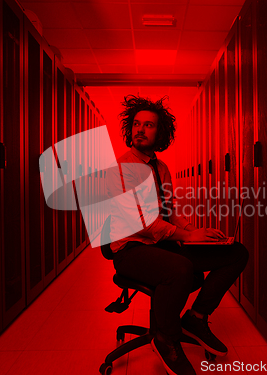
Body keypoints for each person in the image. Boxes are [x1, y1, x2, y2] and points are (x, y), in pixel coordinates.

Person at [105, 95, 249, 375]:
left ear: (160, 133)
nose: (140, 130)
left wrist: (196, 232)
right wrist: (184, 236)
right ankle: (165, 337)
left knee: (235, 253)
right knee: (181, 269)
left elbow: (169, 212)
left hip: (160, 243)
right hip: (130, 249)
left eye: (148, 125)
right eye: (136, 124)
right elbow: (139, 223)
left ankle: (196, 318)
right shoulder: (121, 169)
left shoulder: (161, 168)